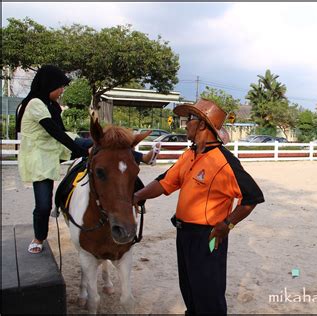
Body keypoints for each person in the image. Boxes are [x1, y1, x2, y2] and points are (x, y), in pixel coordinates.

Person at [133, 99, 265, 314]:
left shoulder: (224, 161)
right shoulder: (189, 155)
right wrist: (137, 196)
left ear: (203, 124)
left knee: (209, 294)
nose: (185, 124)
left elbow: (252, 197)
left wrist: (227, 225)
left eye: (189, 119)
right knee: (190, 290)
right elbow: (164, 182)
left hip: (210, 236)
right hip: (184, 234)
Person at [16, 65, 155, 254]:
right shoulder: (34, 104)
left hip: (56, 148)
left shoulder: (51, 105)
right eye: (60, 87)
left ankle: (141, 162)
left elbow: (62, 133)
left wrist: (84, 147)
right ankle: (38, 237)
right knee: (43, 205)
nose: (62, 91)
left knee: (106, 148)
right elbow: (55, 132)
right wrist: (81, 151)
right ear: (50, 85)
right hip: (40, 156)